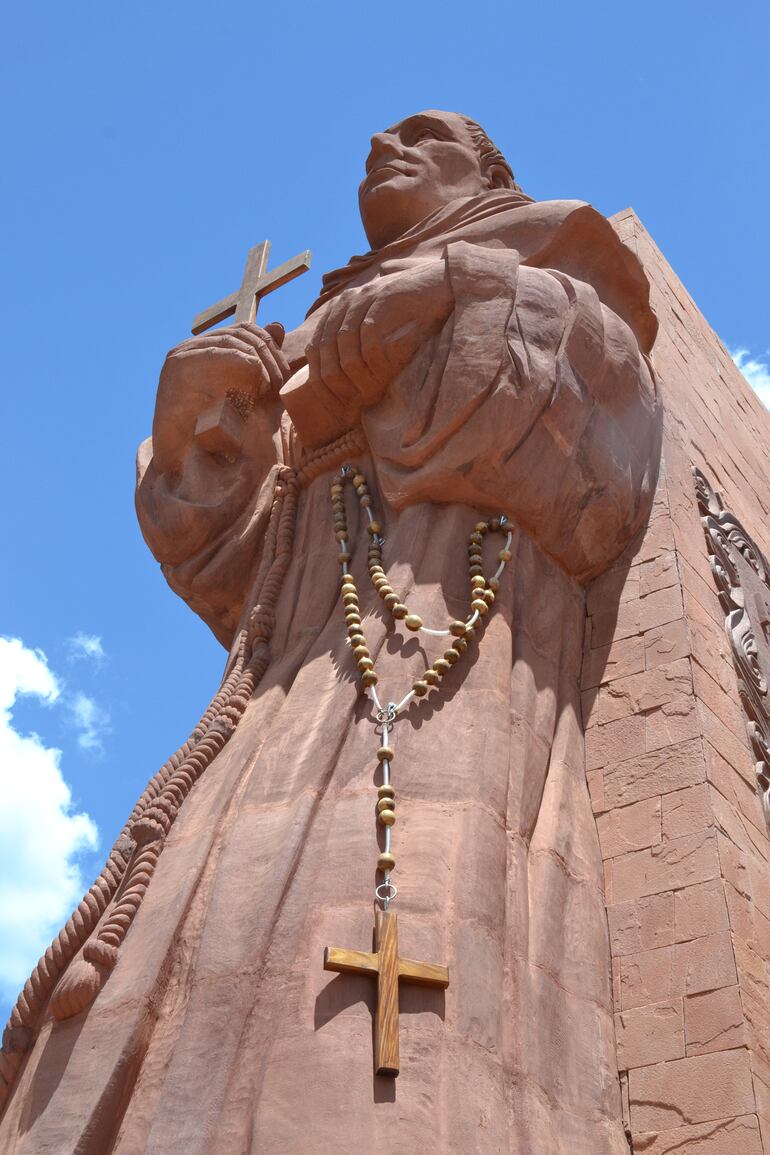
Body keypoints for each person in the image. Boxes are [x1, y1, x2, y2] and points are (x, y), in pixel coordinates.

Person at [0, 111, 660, 1154]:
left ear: (485, 171)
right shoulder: (318, 338)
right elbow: (239, 568)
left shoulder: (557, 269)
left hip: (453, 663)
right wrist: (209, 427)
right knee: (186, 944)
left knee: (392, 947)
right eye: (377, 137)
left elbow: (593, 480)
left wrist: (448, 293)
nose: (379, 144)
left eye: (419, 134)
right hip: (274, 706)